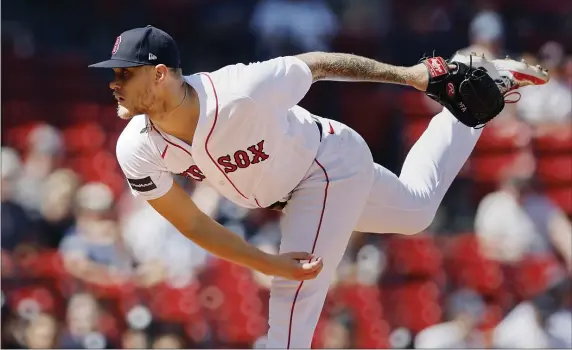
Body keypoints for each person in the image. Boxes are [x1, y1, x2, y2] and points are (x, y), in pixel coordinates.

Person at [88, 25, 548, 348]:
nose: (115, 83)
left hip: (326, 164)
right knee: (417, 210)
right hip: (299, 187)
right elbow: (190, 222)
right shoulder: (137, 148)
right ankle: (484, 83)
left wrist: (409, 76)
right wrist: (265, 261)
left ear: (160, 73)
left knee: (297, 295)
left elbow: (319, 64)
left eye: (124, 72)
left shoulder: (241, 90)